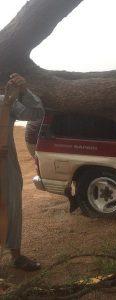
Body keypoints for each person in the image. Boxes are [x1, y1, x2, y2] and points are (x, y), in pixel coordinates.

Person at [0, 73, 44, 271]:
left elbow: (36, 115)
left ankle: (16, 256)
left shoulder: (4, 103)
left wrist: (24, 91)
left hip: (6, 168)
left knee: (12, 207)